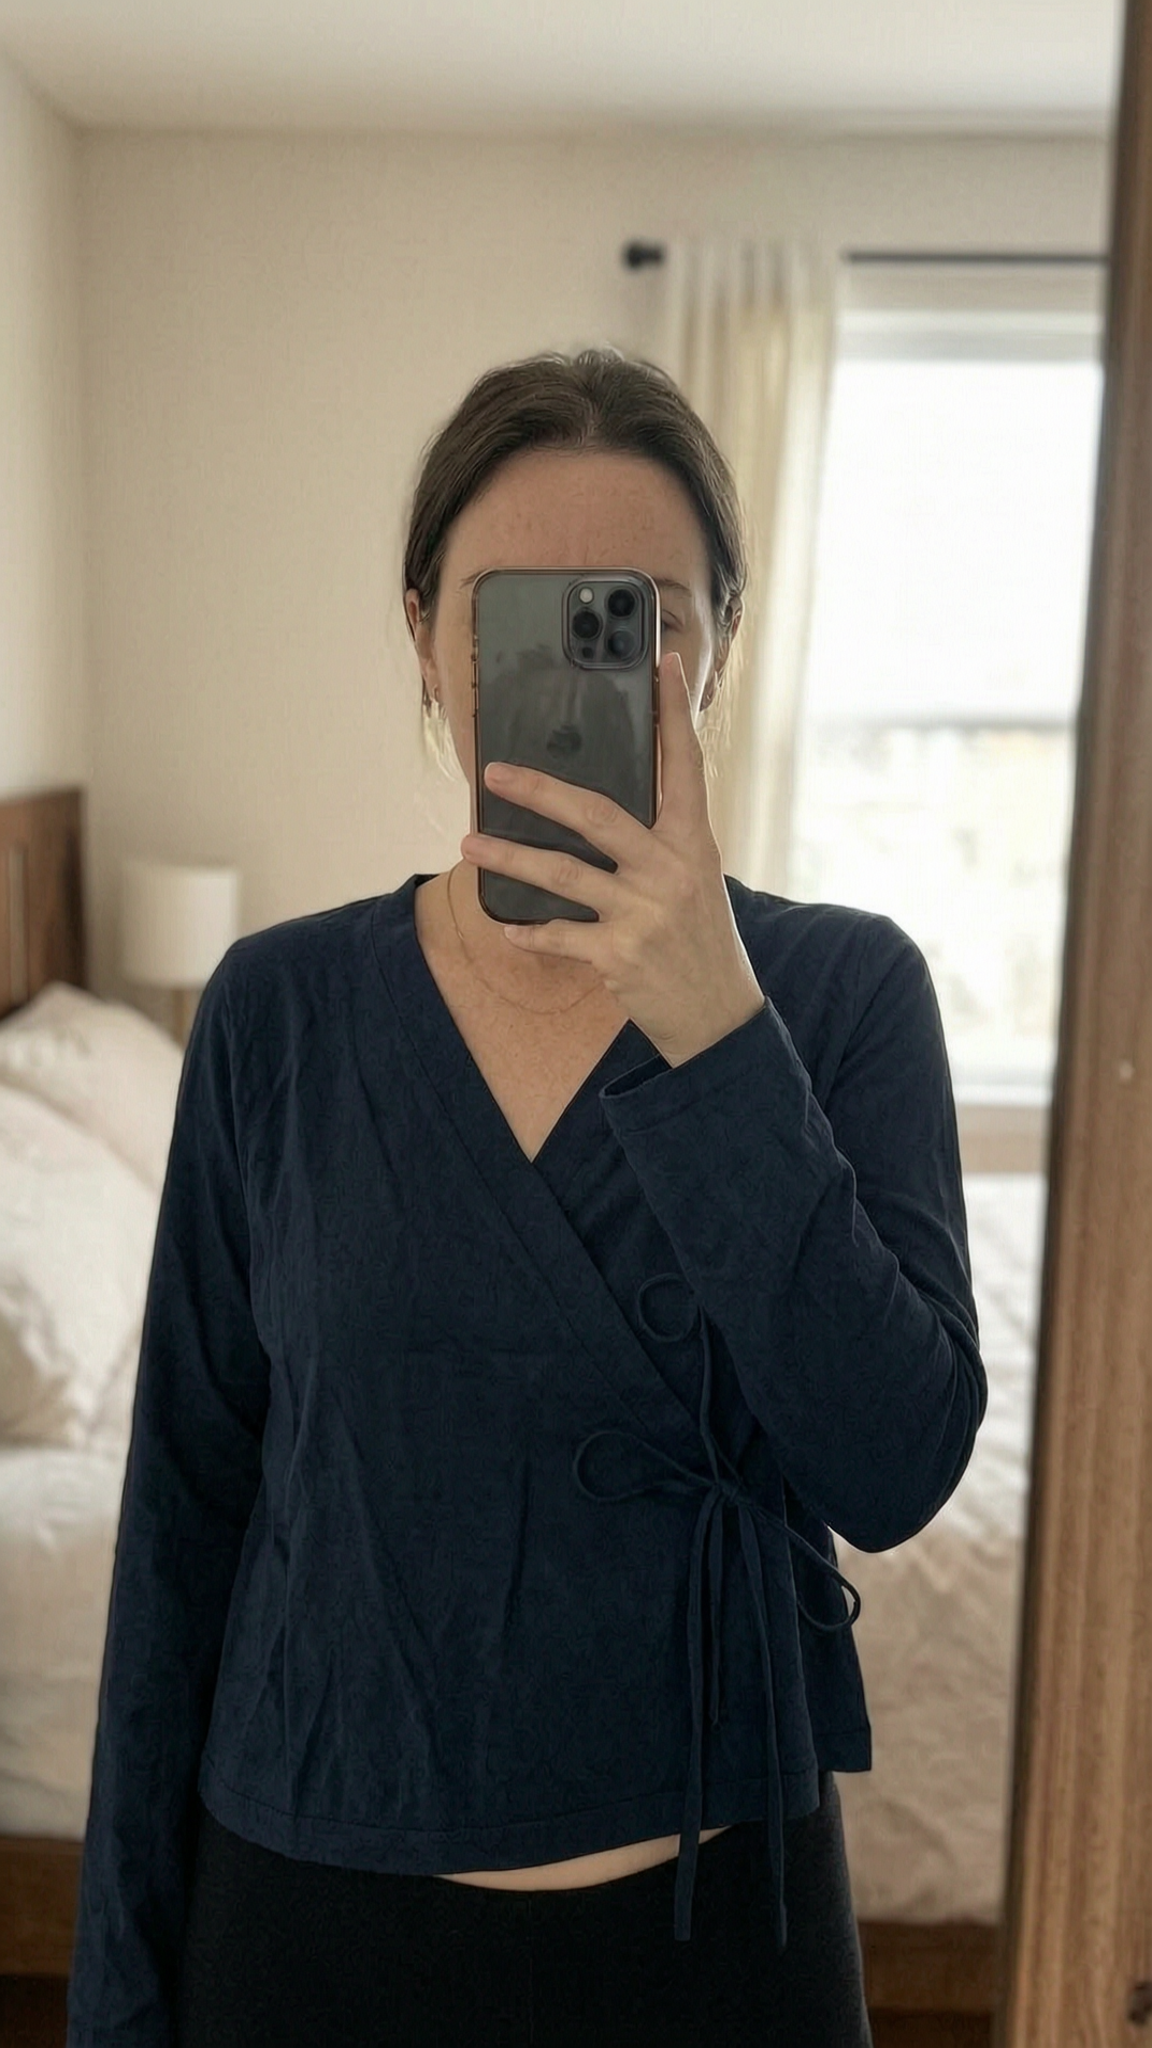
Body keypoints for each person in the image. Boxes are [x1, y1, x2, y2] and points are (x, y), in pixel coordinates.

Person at [66, 347, 986, 2047]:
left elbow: (896, 1465)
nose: (576, 672)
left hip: (717, 1924)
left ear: (716, 651)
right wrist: (118, 2003)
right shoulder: (279, 1011)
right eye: (516, 619)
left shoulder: (845, 993)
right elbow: (183, 1523)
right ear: (427, 637)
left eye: (639, 621)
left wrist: (717, 1034)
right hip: (311, 1918)